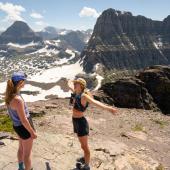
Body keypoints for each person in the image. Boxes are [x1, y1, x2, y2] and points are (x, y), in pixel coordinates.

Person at [68, 78, 117, 170]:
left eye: (77, 84)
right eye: (75, 84)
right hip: (75, 121)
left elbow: (96, 103)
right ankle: (85, 158)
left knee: (85, 146)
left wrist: (109, 109)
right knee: (83, 145)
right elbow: (69, 84)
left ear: (81, 86)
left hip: (81, 122)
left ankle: (86, 166)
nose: (75, 85)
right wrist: (70, 80)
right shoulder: (76, 92)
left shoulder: (84, 96)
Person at [5, 72, 37, 170]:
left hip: (17, 126)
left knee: (21, 148)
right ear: (20, 82)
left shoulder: (10, 96)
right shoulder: (18, 99)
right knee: (27, 154)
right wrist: (32, 133)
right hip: (24, 127)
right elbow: (23, 120)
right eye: (24, 81)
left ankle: (21, 167)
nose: (25, 82)